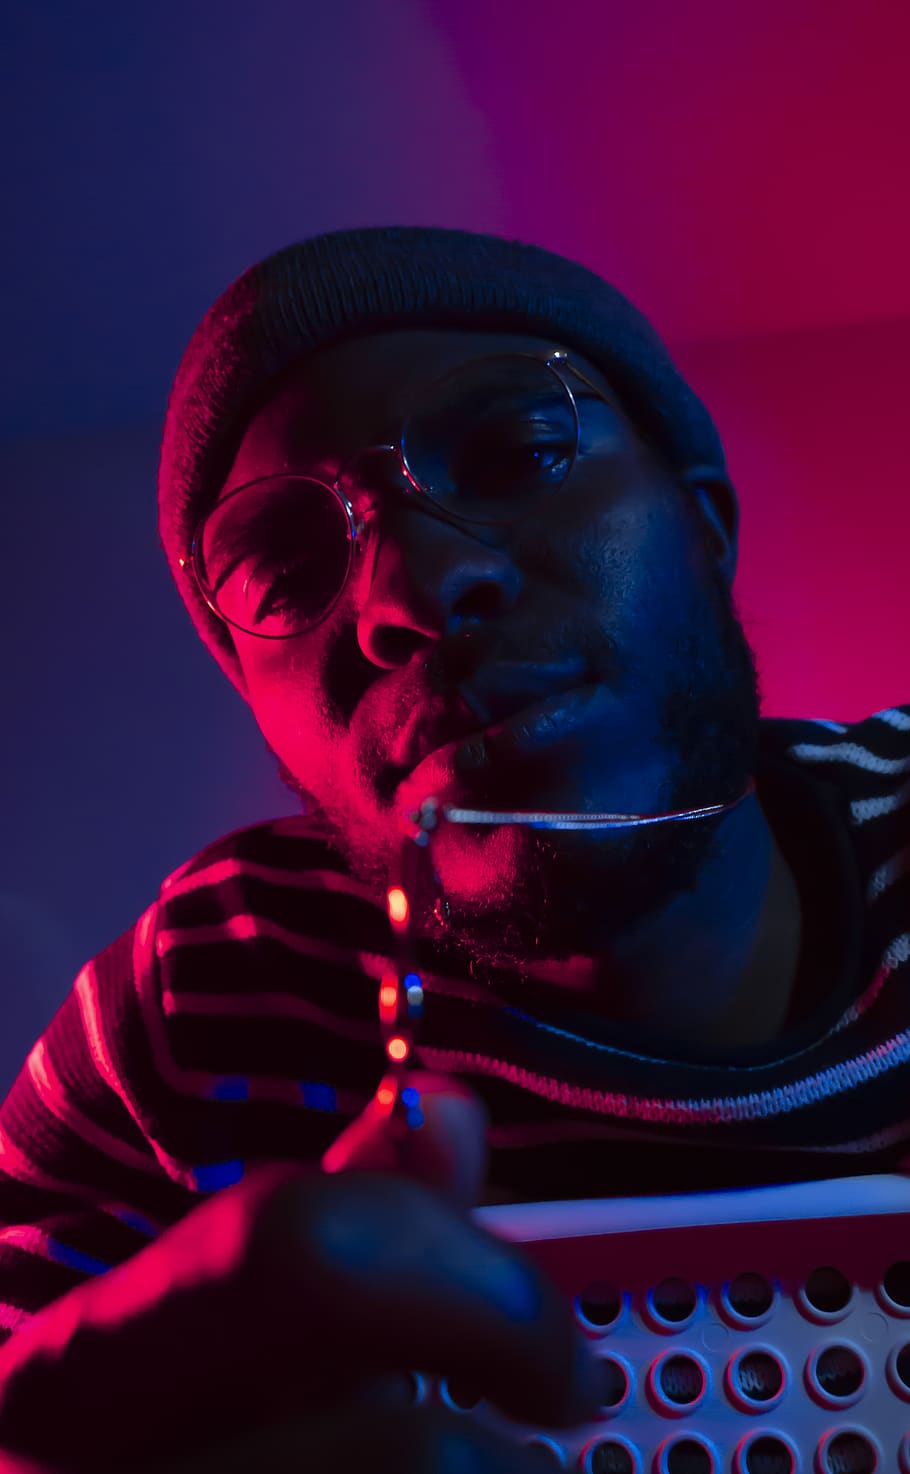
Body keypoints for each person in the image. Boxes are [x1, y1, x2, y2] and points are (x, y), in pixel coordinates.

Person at [0, 225, 907, 1471]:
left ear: (705, 525)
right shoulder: (199, 1006)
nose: (409, 591)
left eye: (518, 450)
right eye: (285, 567)